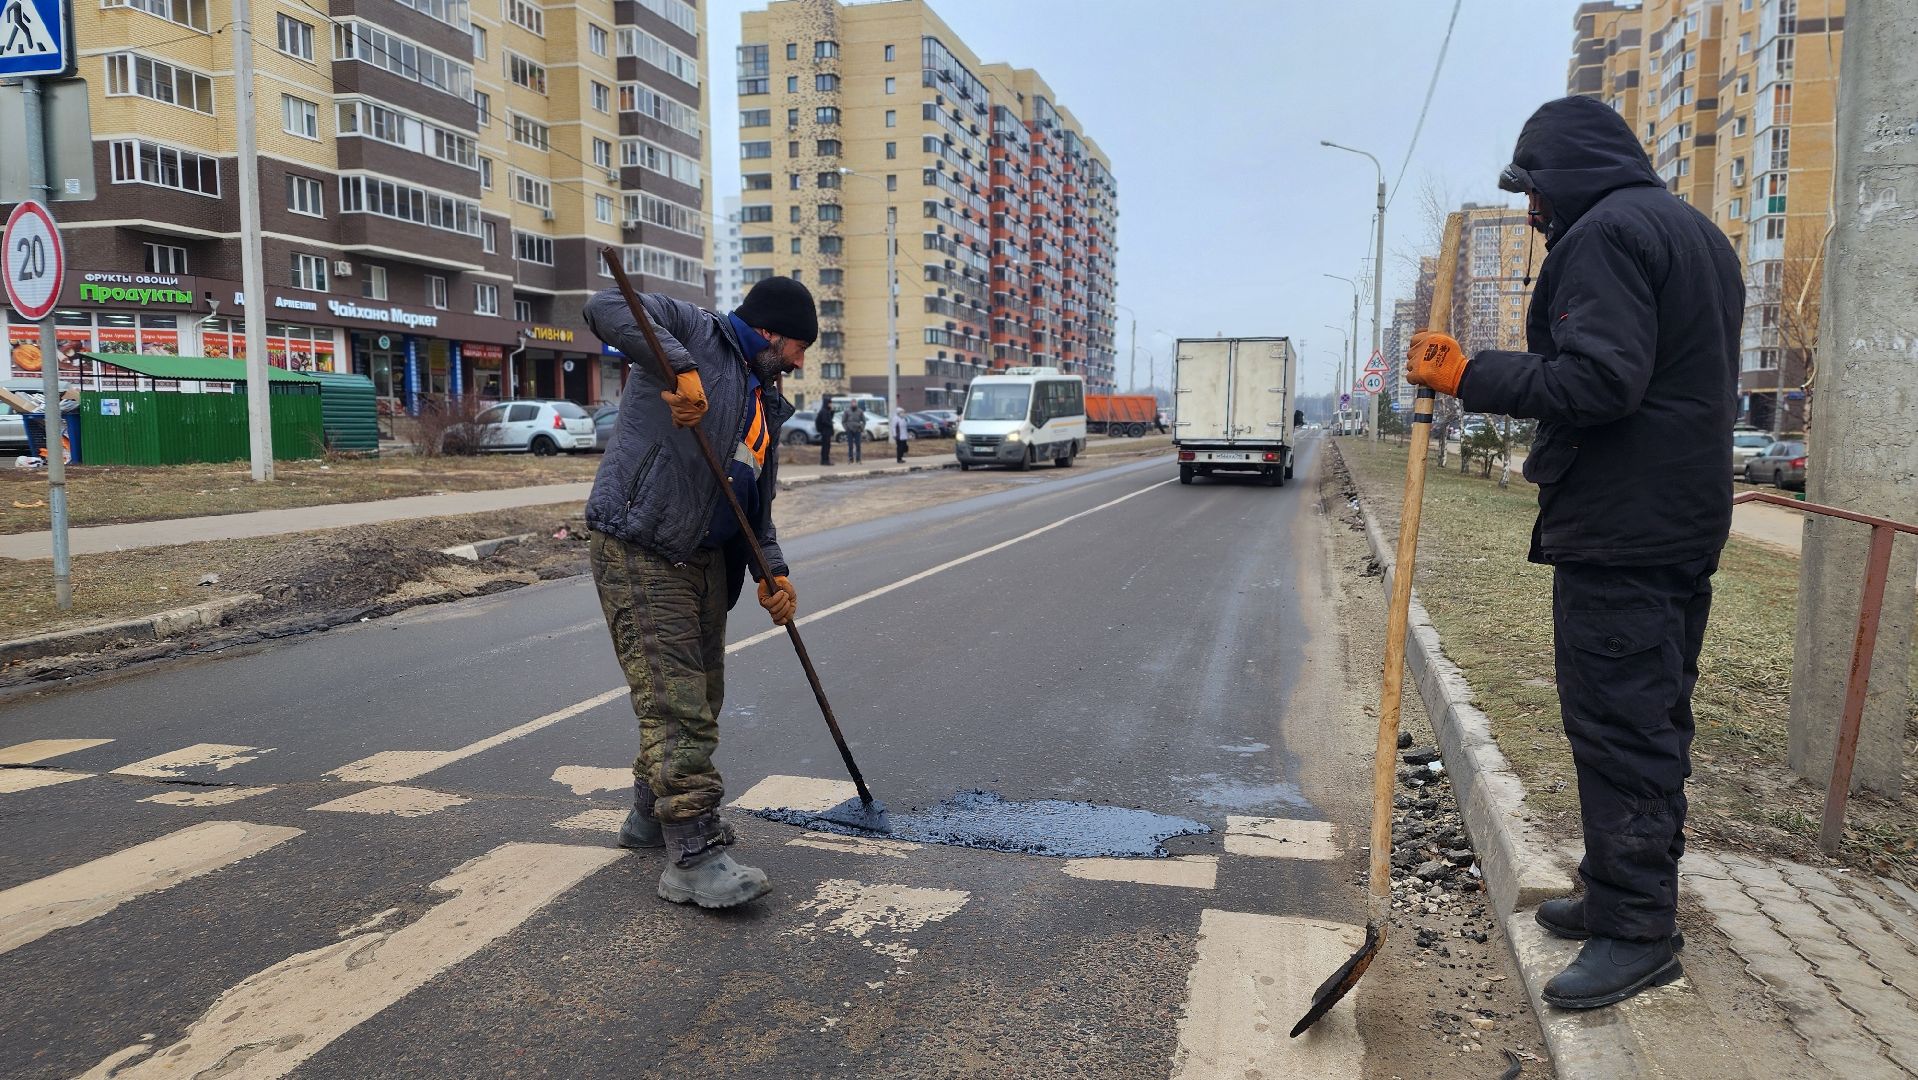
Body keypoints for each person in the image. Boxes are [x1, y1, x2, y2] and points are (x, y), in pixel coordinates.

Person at [1405, 96, 1742, 1009]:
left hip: (1626, 527)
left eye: (1534, 191)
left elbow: (1600, 380)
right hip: (1680, 518)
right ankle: (1614, 890)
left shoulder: (1605, 236)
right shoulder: (1694, 233)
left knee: (1620, 722)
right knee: (1652, 711)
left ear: (1569, 178)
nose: (1530, 212)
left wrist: (1465, 374)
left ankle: (1638, 932)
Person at [581, 274, 816, 910]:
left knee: (698, 694)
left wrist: (773, 568)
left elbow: (752, 502)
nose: (799, 361)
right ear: (771, 333)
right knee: (676, 701)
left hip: (707, 562)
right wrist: (675, 367)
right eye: (798, 347)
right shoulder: (695, 331)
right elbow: (606, 306)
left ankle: (649, 818)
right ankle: (692, 854)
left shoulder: (763, 399)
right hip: (644, 545)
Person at [815, 394, 835, 466]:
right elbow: (824, 421)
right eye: (830, 403)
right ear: (827, 403)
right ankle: (825, 460)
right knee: (826, 447)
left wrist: (832, 411)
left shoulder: (826, 411)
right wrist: (830, 424)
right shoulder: (823, 411)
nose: (831, 404)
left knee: (827, 447)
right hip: (825, 432)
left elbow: (830, 418)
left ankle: (825, 460)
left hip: (827, 432)